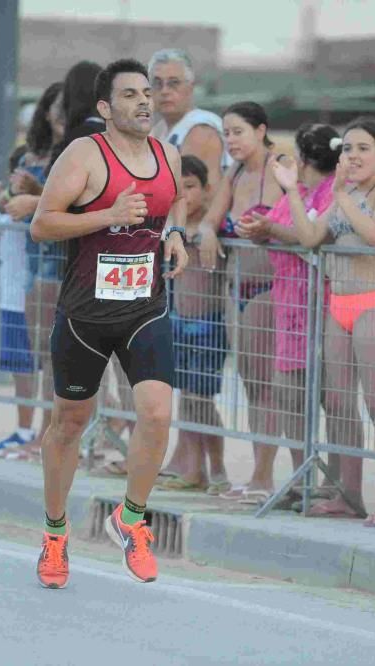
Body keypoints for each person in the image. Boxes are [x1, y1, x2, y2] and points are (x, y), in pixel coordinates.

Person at [29, 58, 188, 588]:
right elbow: (42, 223)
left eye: (148, 93)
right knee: (69, 424)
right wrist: (107, 216)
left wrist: (176, 235)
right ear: (105, 107)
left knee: (157, 414)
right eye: (130, 95)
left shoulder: (167, 153)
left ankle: (132, 518)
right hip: (85, 315)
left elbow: (178, 200)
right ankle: (55, 533)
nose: (144, 101)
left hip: (145, 307)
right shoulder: (85, 154)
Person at [286, 118, 375, 527]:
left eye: (363, 149)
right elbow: (309, 237)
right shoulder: (344, 194)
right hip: (339, 304)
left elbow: (374, 233)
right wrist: (290, 189)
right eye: (348, 149)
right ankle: (348, 492)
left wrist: (341, 193)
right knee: (338, 403)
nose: (353, 156)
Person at [235, 123, 341, 506]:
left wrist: (274, 231)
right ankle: (301, 479)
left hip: (324, 305)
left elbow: (311, 236)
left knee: (332, 398)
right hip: (289, 306)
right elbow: (282, 228)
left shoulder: (334, 192)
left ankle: (336, 483)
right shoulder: (295, 192)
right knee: (290, 395)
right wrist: (260, 228)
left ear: (303, 157)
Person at [196, 101, 285, 506]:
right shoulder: (234, 172)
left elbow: (304, 215)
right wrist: (209, 232)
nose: (231, 140)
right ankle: (257, 473)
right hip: (238, 291)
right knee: (252, 385)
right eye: (226, 133)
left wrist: (273, 227)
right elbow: (209, 219)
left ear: (261, 130)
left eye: (238, 132)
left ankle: (264, 477)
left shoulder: (280, 166)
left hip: (271, 288)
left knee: (267, 386)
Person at [0, 82, 65, 453]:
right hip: (34, 270)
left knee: (57, 359)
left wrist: (36, 190)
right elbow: (1, 210)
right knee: (38, 359)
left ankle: (55, 435)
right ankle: (33, 432)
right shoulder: (30, 157)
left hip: (59, 264)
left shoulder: (74, 154)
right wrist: (7, 195)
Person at [161, 155, 230, 495]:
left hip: (208, 325)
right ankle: (193, 468)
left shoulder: (214, 231)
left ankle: (217, 469)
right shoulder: (174, 227)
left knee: (202, 398)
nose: (185, 195)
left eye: (191, 187)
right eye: (179, 189)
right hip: (178, 322)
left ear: (207, 190)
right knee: (187, 398)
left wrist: (206, 231)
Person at [0, 145, 40, 452]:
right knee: (21, 367)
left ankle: (35, 430)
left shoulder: (36, 199)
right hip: (12, 294)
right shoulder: (6, 200)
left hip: (32, 295)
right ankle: (23, 429)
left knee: (46, 368)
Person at [148, 48, 230, 189]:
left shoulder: (201, 130)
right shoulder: (158, 129)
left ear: (190, 87)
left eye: (173, 83)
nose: (165, 91)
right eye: (157, 83)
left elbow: (203, 198)